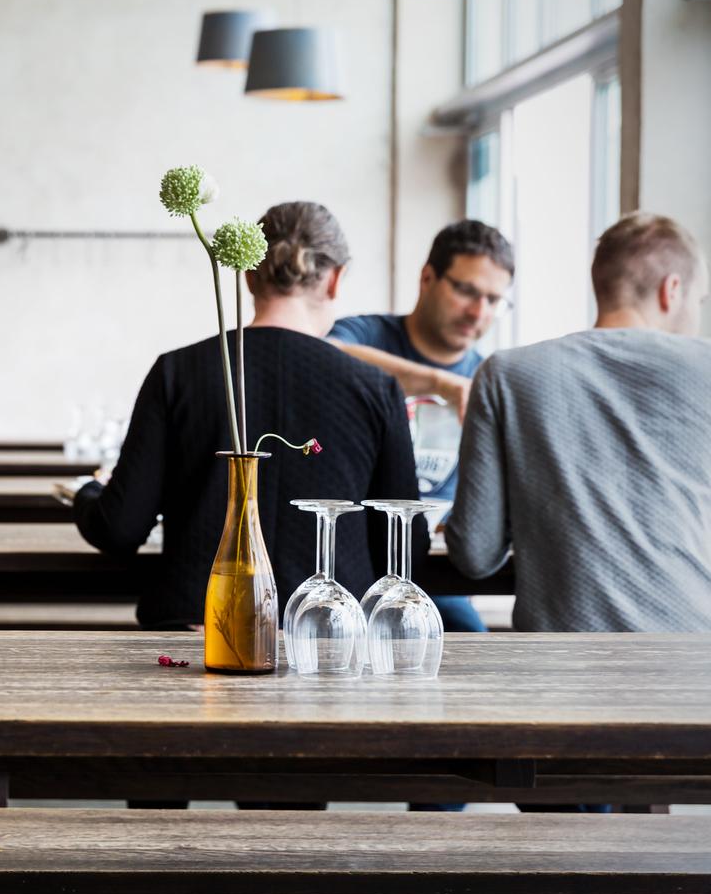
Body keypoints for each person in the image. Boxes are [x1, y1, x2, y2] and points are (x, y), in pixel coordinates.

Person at [74, 201, 427, 631]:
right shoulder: (376, 388)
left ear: (248, 276)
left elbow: (119, 530)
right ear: (336, 279)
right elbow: (407, 543)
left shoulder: (177, 372)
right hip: (330, 641)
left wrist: (88, 492)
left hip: (198, 629)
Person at [448, 212, 711, 634]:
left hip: (562, 671)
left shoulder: (509, 374)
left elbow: (476, 554)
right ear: (672, 290)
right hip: (694, 663)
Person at [327, 220, 515, 635]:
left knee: (474, 646)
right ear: (427, 277)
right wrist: (439, 383)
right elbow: (326, 354)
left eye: (493, 300)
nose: (478, 312)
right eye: (466, 290)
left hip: (436, 573)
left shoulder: (491, 375)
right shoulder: (367, 335)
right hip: (357, 559)